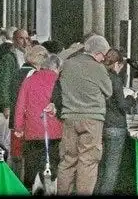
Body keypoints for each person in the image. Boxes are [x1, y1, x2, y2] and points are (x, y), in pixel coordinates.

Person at [54, 34, 112, 195]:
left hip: (69, 117)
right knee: (88, 161)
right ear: (99, 53)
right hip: (92, 118)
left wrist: (76, 48)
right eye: (104, 55)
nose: (103, 59)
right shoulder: (98, 68)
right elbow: (109, 91)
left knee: (68, 160)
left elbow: (59, 58)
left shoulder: (68, 64)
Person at [14, 53, 63, 191]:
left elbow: (20, 105)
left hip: (32, 132)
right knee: (52, 166)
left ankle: (30, 189)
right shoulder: (58, 81)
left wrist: (18, 127)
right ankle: (50, 189)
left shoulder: (29, 80)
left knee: (32, 166)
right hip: (55, 132)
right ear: (56, 67)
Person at [94, 48, 135, 195]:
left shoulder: (99, 76)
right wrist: (131, 98)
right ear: (117, 64)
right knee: (112, 167)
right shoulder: (115, 79)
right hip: (116, 126)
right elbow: (122, 105)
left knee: (101, 166)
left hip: (101, 123)